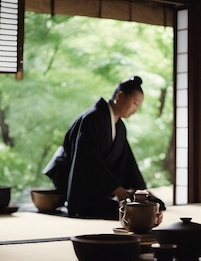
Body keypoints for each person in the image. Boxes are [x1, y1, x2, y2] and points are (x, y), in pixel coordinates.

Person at [43, 76, 166, 221]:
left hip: (99, 185)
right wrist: (115, 188)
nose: (136, 110)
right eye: (135, 103)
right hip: (75, 182)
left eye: (138, 106)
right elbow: (88, 159)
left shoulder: (119, 126)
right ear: (120, 96)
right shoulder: (92, 118)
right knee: (126, 213)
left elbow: (126, 161)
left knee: (149, 206)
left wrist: (141, 190)